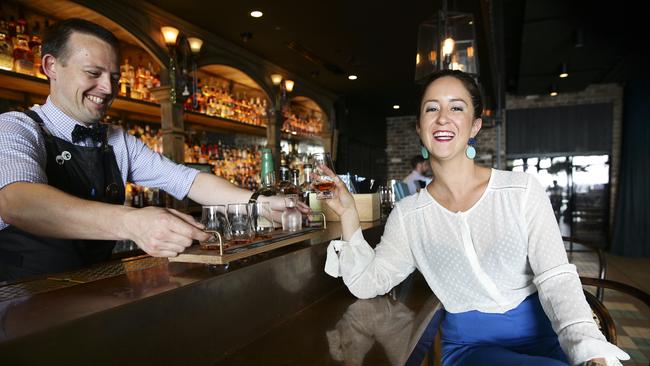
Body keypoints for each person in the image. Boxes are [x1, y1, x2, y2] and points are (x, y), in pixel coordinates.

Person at [323, 70, 628, 366]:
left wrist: (589, 348)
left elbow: (556, 278)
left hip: (546, 336)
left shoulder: (520, 191)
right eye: (432, 108)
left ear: (474, 126)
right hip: (472, 349)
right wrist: (349, 214)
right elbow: (368, 282)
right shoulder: (408, 215)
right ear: (419, 127)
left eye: (456, 107)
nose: (443, 117)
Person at [0, 19, 302, 281]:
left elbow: (188, 180)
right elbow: (18, 202)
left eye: (115, 78)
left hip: (94, 289)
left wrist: (258, 203)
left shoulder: (116, 140)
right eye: (93, 73)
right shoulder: (16, 127)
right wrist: (133, 222)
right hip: (26, 298)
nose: (107, 89)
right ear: (51, 67)